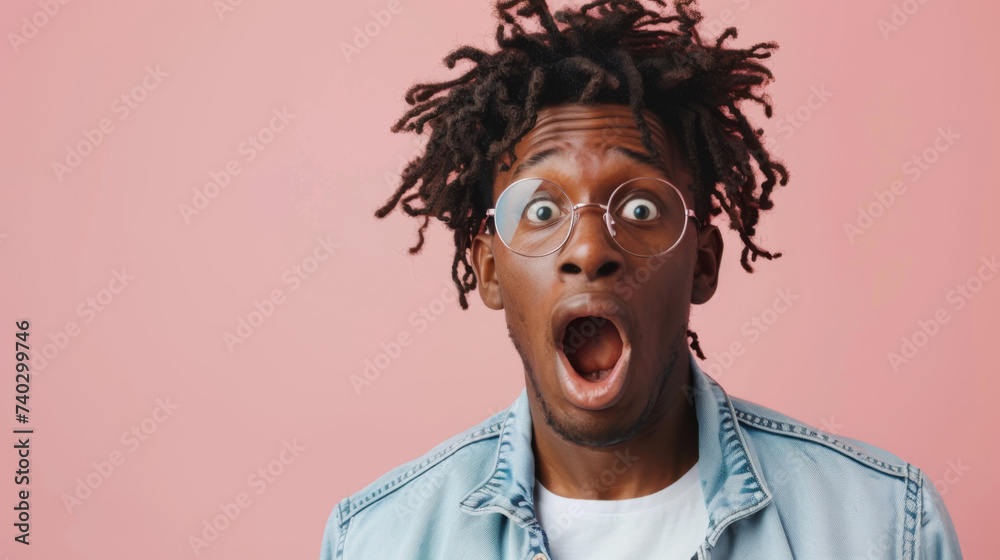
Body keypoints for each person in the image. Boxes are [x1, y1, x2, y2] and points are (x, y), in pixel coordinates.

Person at [319, 0, 963, 558]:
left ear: (703, 263)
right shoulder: (378, 541)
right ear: (489, 269)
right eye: (541, 211)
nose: (591, 249)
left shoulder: (884, 528)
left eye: (640, 209)